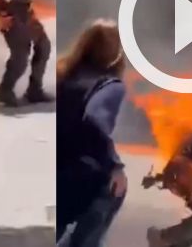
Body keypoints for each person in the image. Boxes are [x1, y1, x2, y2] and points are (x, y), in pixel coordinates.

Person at [55, 19, 128, 247]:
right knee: (114, 188)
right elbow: (94, 124)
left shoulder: (63, 76)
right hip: (76, 175)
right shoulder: (109, 85)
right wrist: (114, 166)